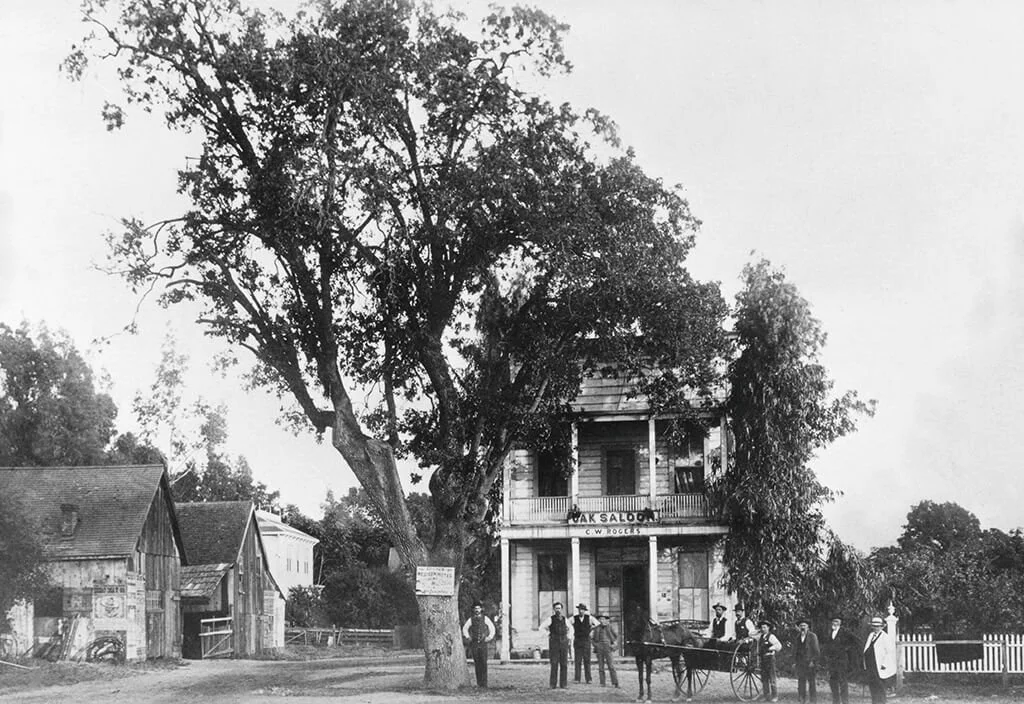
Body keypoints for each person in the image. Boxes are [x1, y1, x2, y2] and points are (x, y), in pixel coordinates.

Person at [821, 614, 857, 704]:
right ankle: (835, 701)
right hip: (832, 662)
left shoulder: (845, 632)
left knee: (843, 682)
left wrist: (846, 650)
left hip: (842, 662)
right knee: (833, 682)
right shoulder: (831, 633)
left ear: (840, 623)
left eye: (837, 621)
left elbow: (855, 642)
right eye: (833, 621)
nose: (834, 623)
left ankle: (845, 702)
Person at [461, 602, 496, 687]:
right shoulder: (471, 619)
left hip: (483, 643)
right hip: (474, 644)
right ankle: (479, 683)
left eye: (478, 608)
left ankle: (484, 683)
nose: (477, 610)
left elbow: (492, 628)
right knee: (477, 663)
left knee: (484, 662)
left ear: (481, 609)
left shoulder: (485, 618)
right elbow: (465, 628)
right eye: (475, 609)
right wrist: (468, 637)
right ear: (473, 610)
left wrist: (489, 637)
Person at [863, 616, 894, 703]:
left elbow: (890, 652)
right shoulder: (871, 635)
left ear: (881, 627)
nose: (876, 628)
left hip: (879, 666)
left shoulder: (885, 637)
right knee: (872, 686)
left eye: (878, 626)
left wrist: (884, 664)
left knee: (880, 687)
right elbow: (867, 648)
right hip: (870, 665)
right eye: (874, 626)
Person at [794, 616, 820, 704]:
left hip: (810, 663)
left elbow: (816, 651)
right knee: (801, 682)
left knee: (811, 683)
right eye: (801, 625)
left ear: (808, 627)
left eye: (804, 625)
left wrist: (813, 661)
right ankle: (802, 699)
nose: (802, 627)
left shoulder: (812, 636)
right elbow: (796, 651)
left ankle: (813, 701)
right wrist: (795, 662)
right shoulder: (798, 637)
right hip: (800, 663)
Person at [591, 612, 619, 687]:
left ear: (606, 620)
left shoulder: (610, 627)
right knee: (601, 666)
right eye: (600, 619)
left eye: (603, 619)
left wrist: (612, 644)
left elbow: (616, 636)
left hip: (608, 647)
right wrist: (596, 645)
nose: (602, 620)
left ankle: (615, 682)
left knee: (611, 666)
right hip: (599, 647)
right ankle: (602, 682)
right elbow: (592, 639)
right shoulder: (596, 628)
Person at [757, 619, 782, 702]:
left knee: (772, 678)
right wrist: (758, 631)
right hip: (763, 659)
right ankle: (766, 696)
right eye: (761, 627)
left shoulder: (771, 636)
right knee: (764, 679)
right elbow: (750, 634)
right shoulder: (760, 636)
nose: (763, 629)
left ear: (768, 628)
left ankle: (775, 696)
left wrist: (771, 648)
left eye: (764, 627)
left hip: (770, 659)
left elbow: (779, 646)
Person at [546, 602, 570, 688]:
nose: (558, 610)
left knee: (564, 664)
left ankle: (563, 684)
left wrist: (568, 637)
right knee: (554, 663)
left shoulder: (565, 619)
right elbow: (542, 628)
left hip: (563, 643)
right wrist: (549, 634)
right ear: (554, 609)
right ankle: (553, 684)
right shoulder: (550, 619)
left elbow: (571, 629)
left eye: (559, 608)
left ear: (562, 609)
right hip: (554, 643)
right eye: (556, 608)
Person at [572, 603, 593, 683]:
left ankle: (589, 679)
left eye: (582, 610)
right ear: (578, 610)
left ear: (585, 611)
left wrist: (591, 630)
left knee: (587, 660)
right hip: (577, 641)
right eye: (580, 609)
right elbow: (568, 624)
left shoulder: (589, 618)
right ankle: (577, 678)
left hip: (586, 641)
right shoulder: (574, 618)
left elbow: (597, 624)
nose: (581, 611)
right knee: (578, 660)